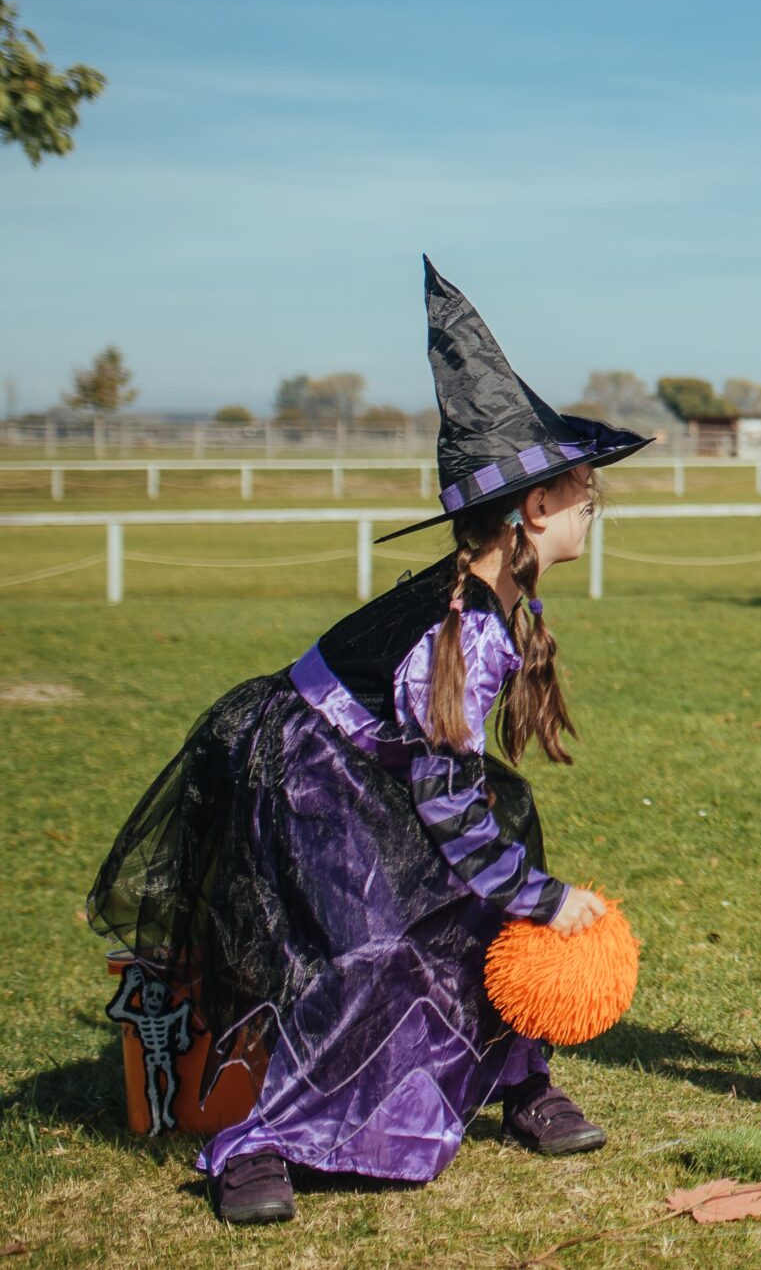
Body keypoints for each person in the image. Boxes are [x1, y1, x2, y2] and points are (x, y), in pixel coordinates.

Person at [86, 261, 651, 1225]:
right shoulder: (463, 632)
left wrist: (516, 888)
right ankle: (254, 1140)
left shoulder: (497, 590)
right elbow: (448, 811)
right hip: (305, 771)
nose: (593, 511)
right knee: (362, 951)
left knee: (492, 867)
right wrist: (550, 902)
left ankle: (519, 1076)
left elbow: (455, 791)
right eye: (586, 496)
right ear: (534, 510)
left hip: (372, 767)